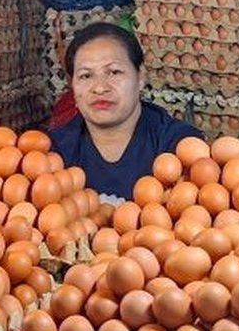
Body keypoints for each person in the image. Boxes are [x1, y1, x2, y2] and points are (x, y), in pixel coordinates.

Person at [49, 22, 203, 199]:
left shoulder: (176, 144)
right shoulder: (57, 149)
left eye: (114, 72)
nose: (99, 88)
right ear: (73, 87)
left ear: (140, 77)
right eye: (86, 75)